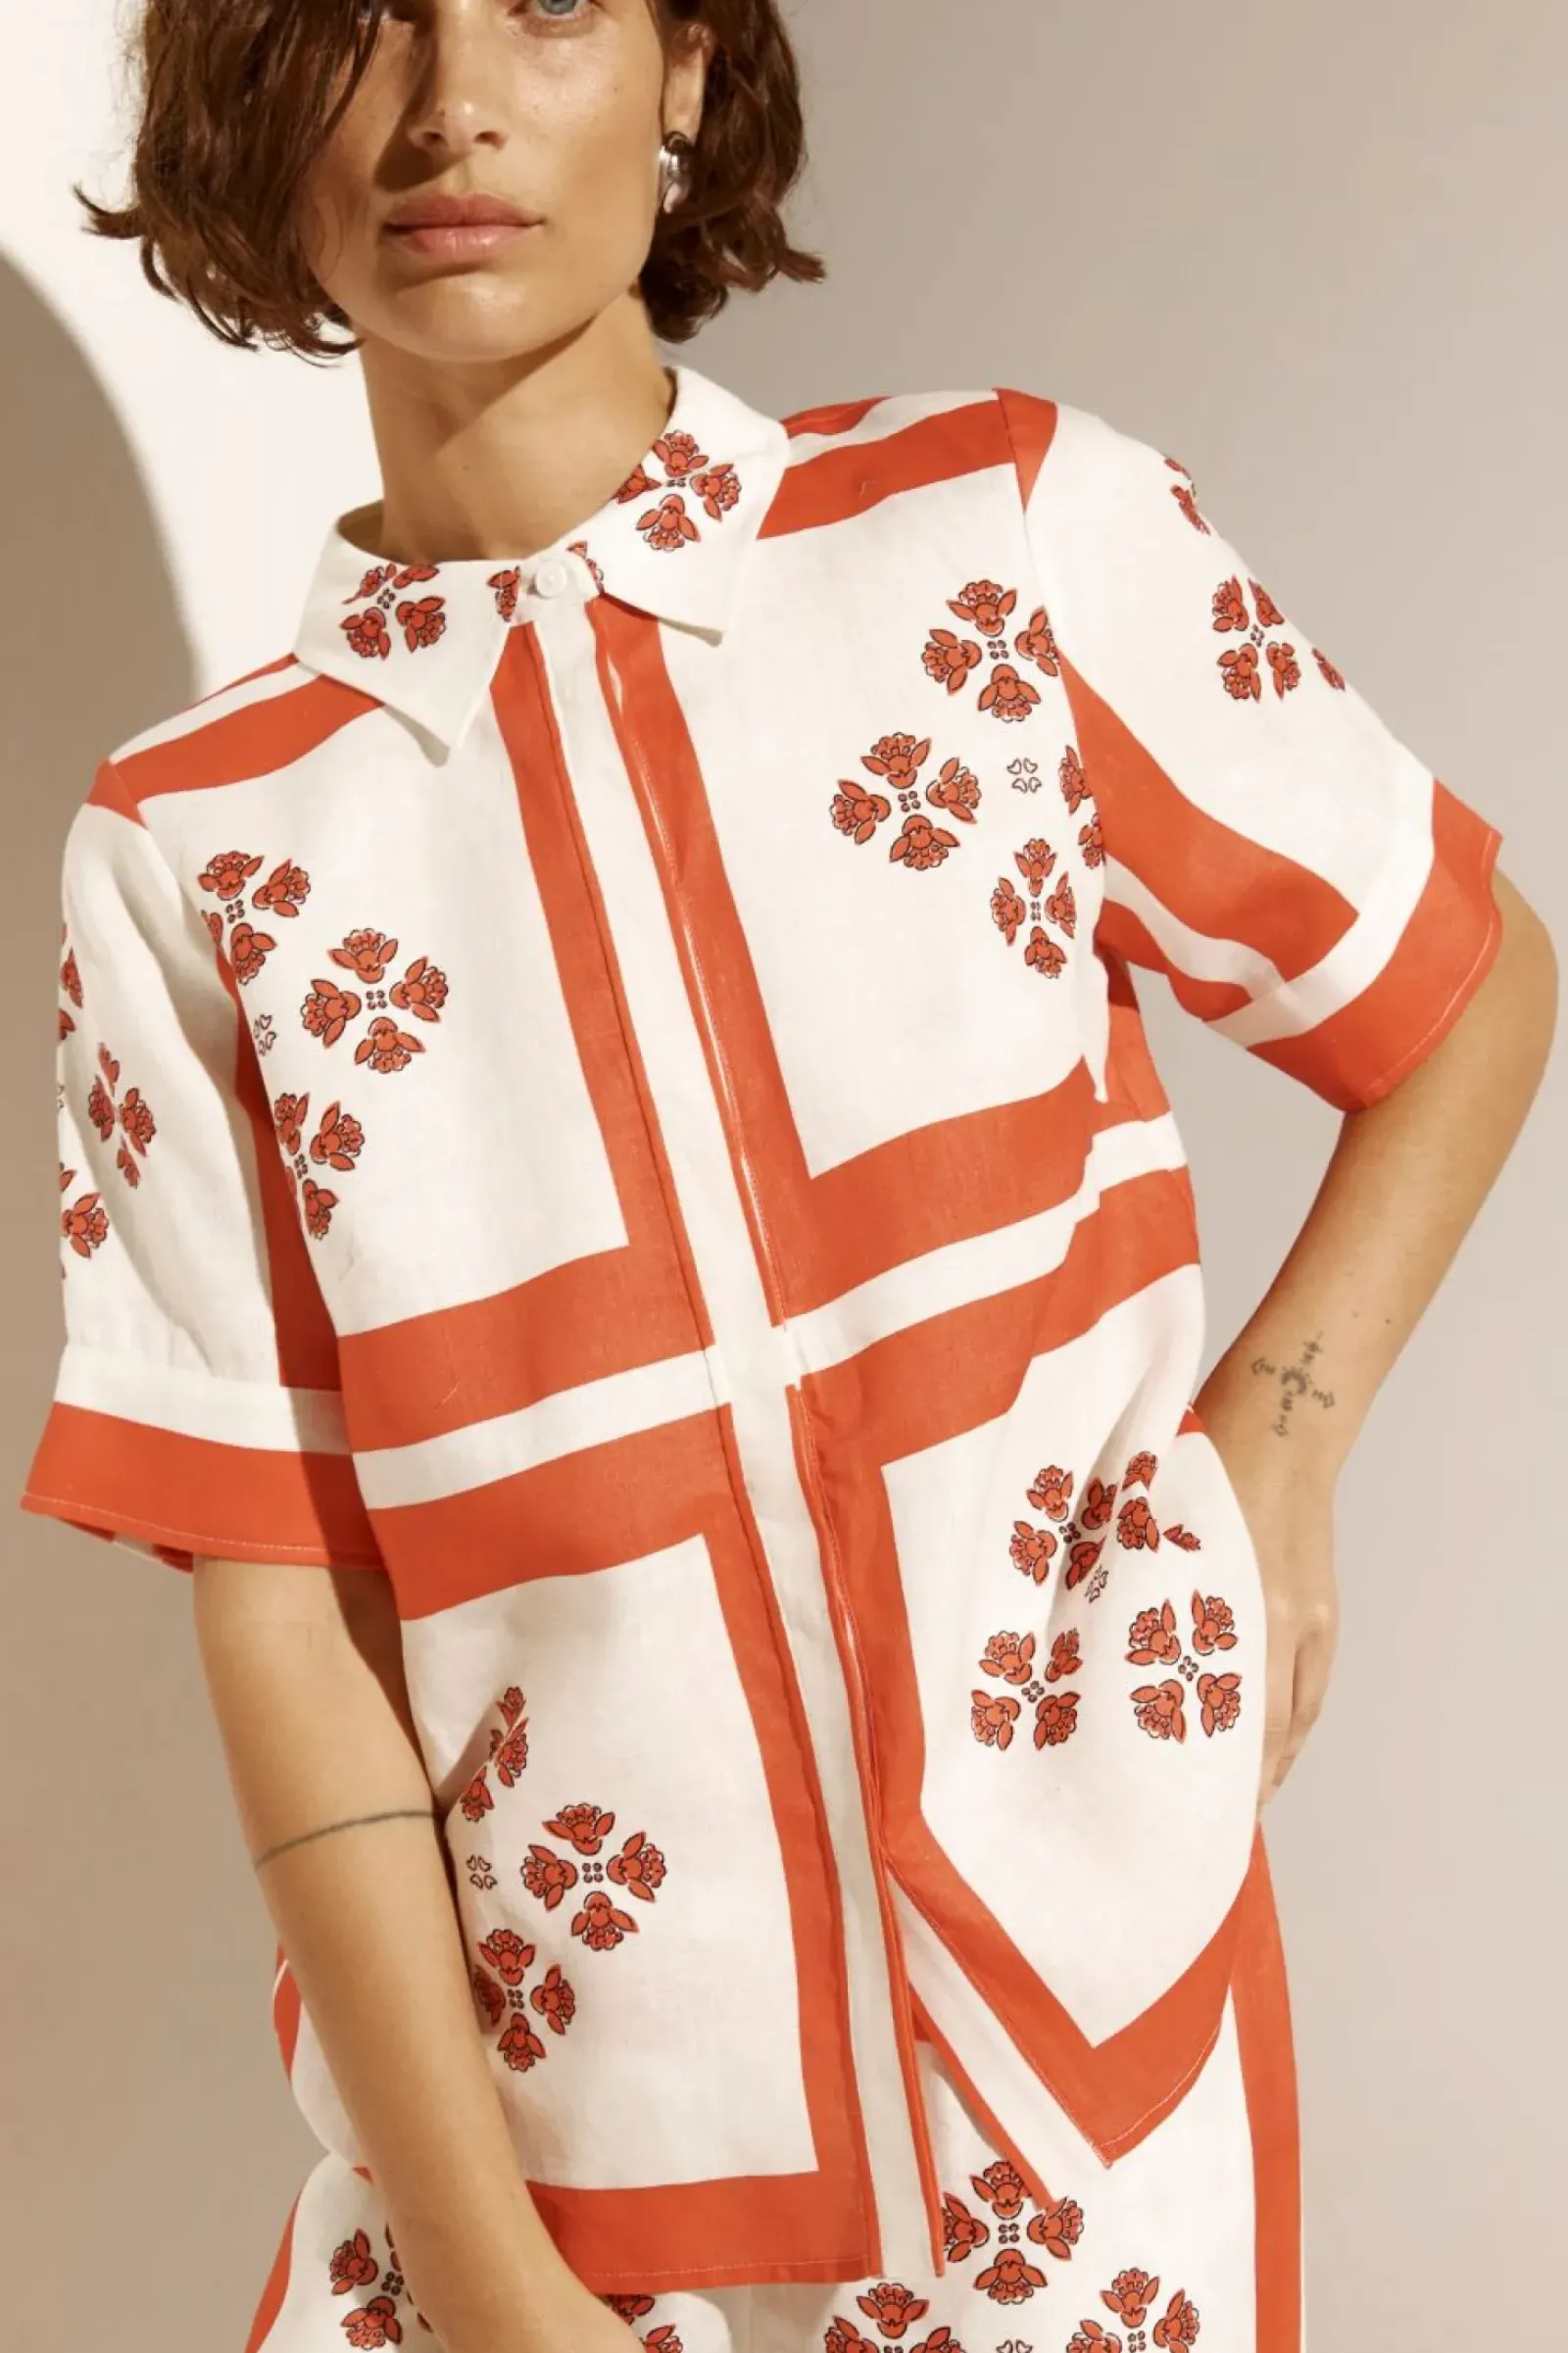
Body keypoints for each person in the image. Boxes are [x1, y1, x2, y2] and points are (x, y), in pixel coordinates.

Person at [23, 3, 1555, 2350]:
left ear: (687, 71)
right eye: (361, 18)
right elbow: (287, 1607)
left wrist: (1276, 1452)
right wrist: (486, 2279)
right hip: (538, 2160)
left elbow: (1451, 983)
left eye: (548, 6)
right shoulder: (197, 848)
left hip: (1086, 2083)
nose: (451, 100)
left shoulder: (996, 542)